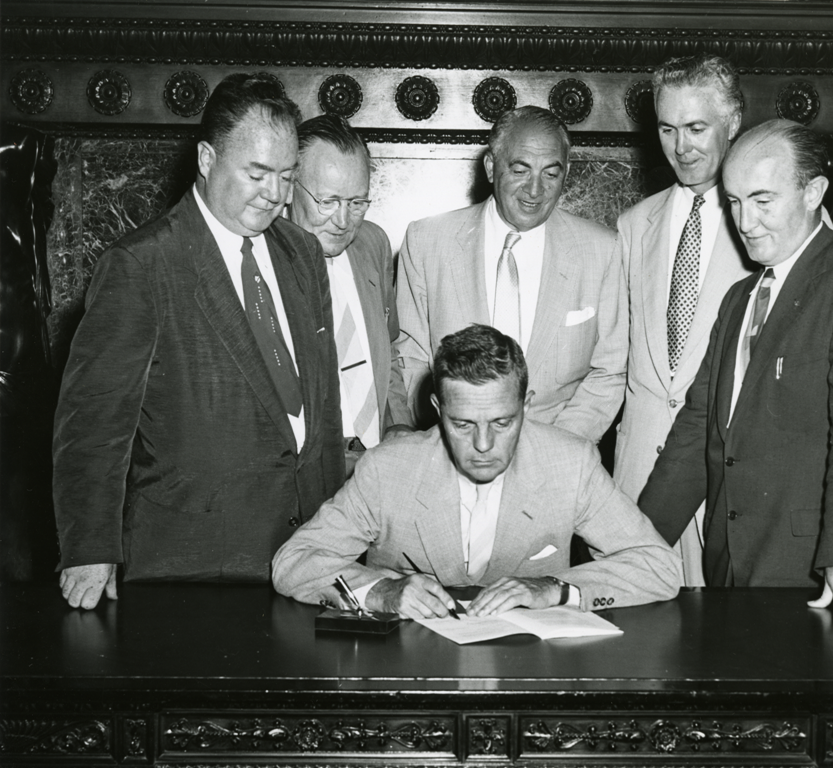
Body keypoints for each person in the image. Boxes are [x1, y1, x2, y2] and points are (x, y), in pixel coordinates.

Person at [54, 73, 346, 609]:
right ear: (208, 160)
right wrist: (89, 548)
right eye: (257, 174)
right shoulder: (142, 265)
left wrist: (338, 533)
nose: (275, 195)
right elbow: (93, 424)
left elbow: (323, 409)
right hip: (190, 566)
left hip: (307, 555)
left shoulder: (302, 253)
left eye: (286, 176)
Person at [637, 120, 833, 621]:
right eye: (735, 201)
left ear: (814, 193)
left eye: (763, 201)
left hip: (813, 572)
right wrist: (631, 541)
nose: (745, 222)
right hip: (729, 563)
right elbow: (699, 430)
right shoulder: (739, 297)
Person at [272, 324, 680, 618]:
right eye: (463, 425)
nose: (483, 446)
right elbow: (294, 561)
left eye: (502, 423)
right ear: (437, 410)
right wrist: (380, 591)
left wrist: (557, 590)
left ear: (526, 406)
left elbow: (659, 568)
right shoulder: (387, 469)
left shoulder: (570, 464)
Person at [395, 106, 626, 442]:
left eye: (551, 174)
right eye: (520, 170)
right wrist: (457, 439)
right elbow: (410, 355)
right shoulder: (427, 241)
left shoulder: (604, 251)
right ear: (491, 167)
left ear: (567, 172)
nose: (535, 190)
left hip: (557, 455)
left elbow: (610, 370)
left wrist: (553, 451)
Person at [613, 54, 754, 587]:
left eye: (697, 127)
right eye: (668, 129)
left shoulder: (772, 222)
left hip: (727, 474)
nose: (681, 146)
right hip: (638, 479)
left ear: (733, 122)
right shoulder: (633, 224)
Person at [289, 115, 413, 476]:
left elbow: (388, 348)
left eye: (357, 202)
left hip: (378, 467)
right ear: (288, 186)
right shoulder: (264, 260)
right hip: (307, 469)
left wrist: (398, 425)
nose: (343, 221)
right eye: (327, 201)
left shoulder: (372, 242)